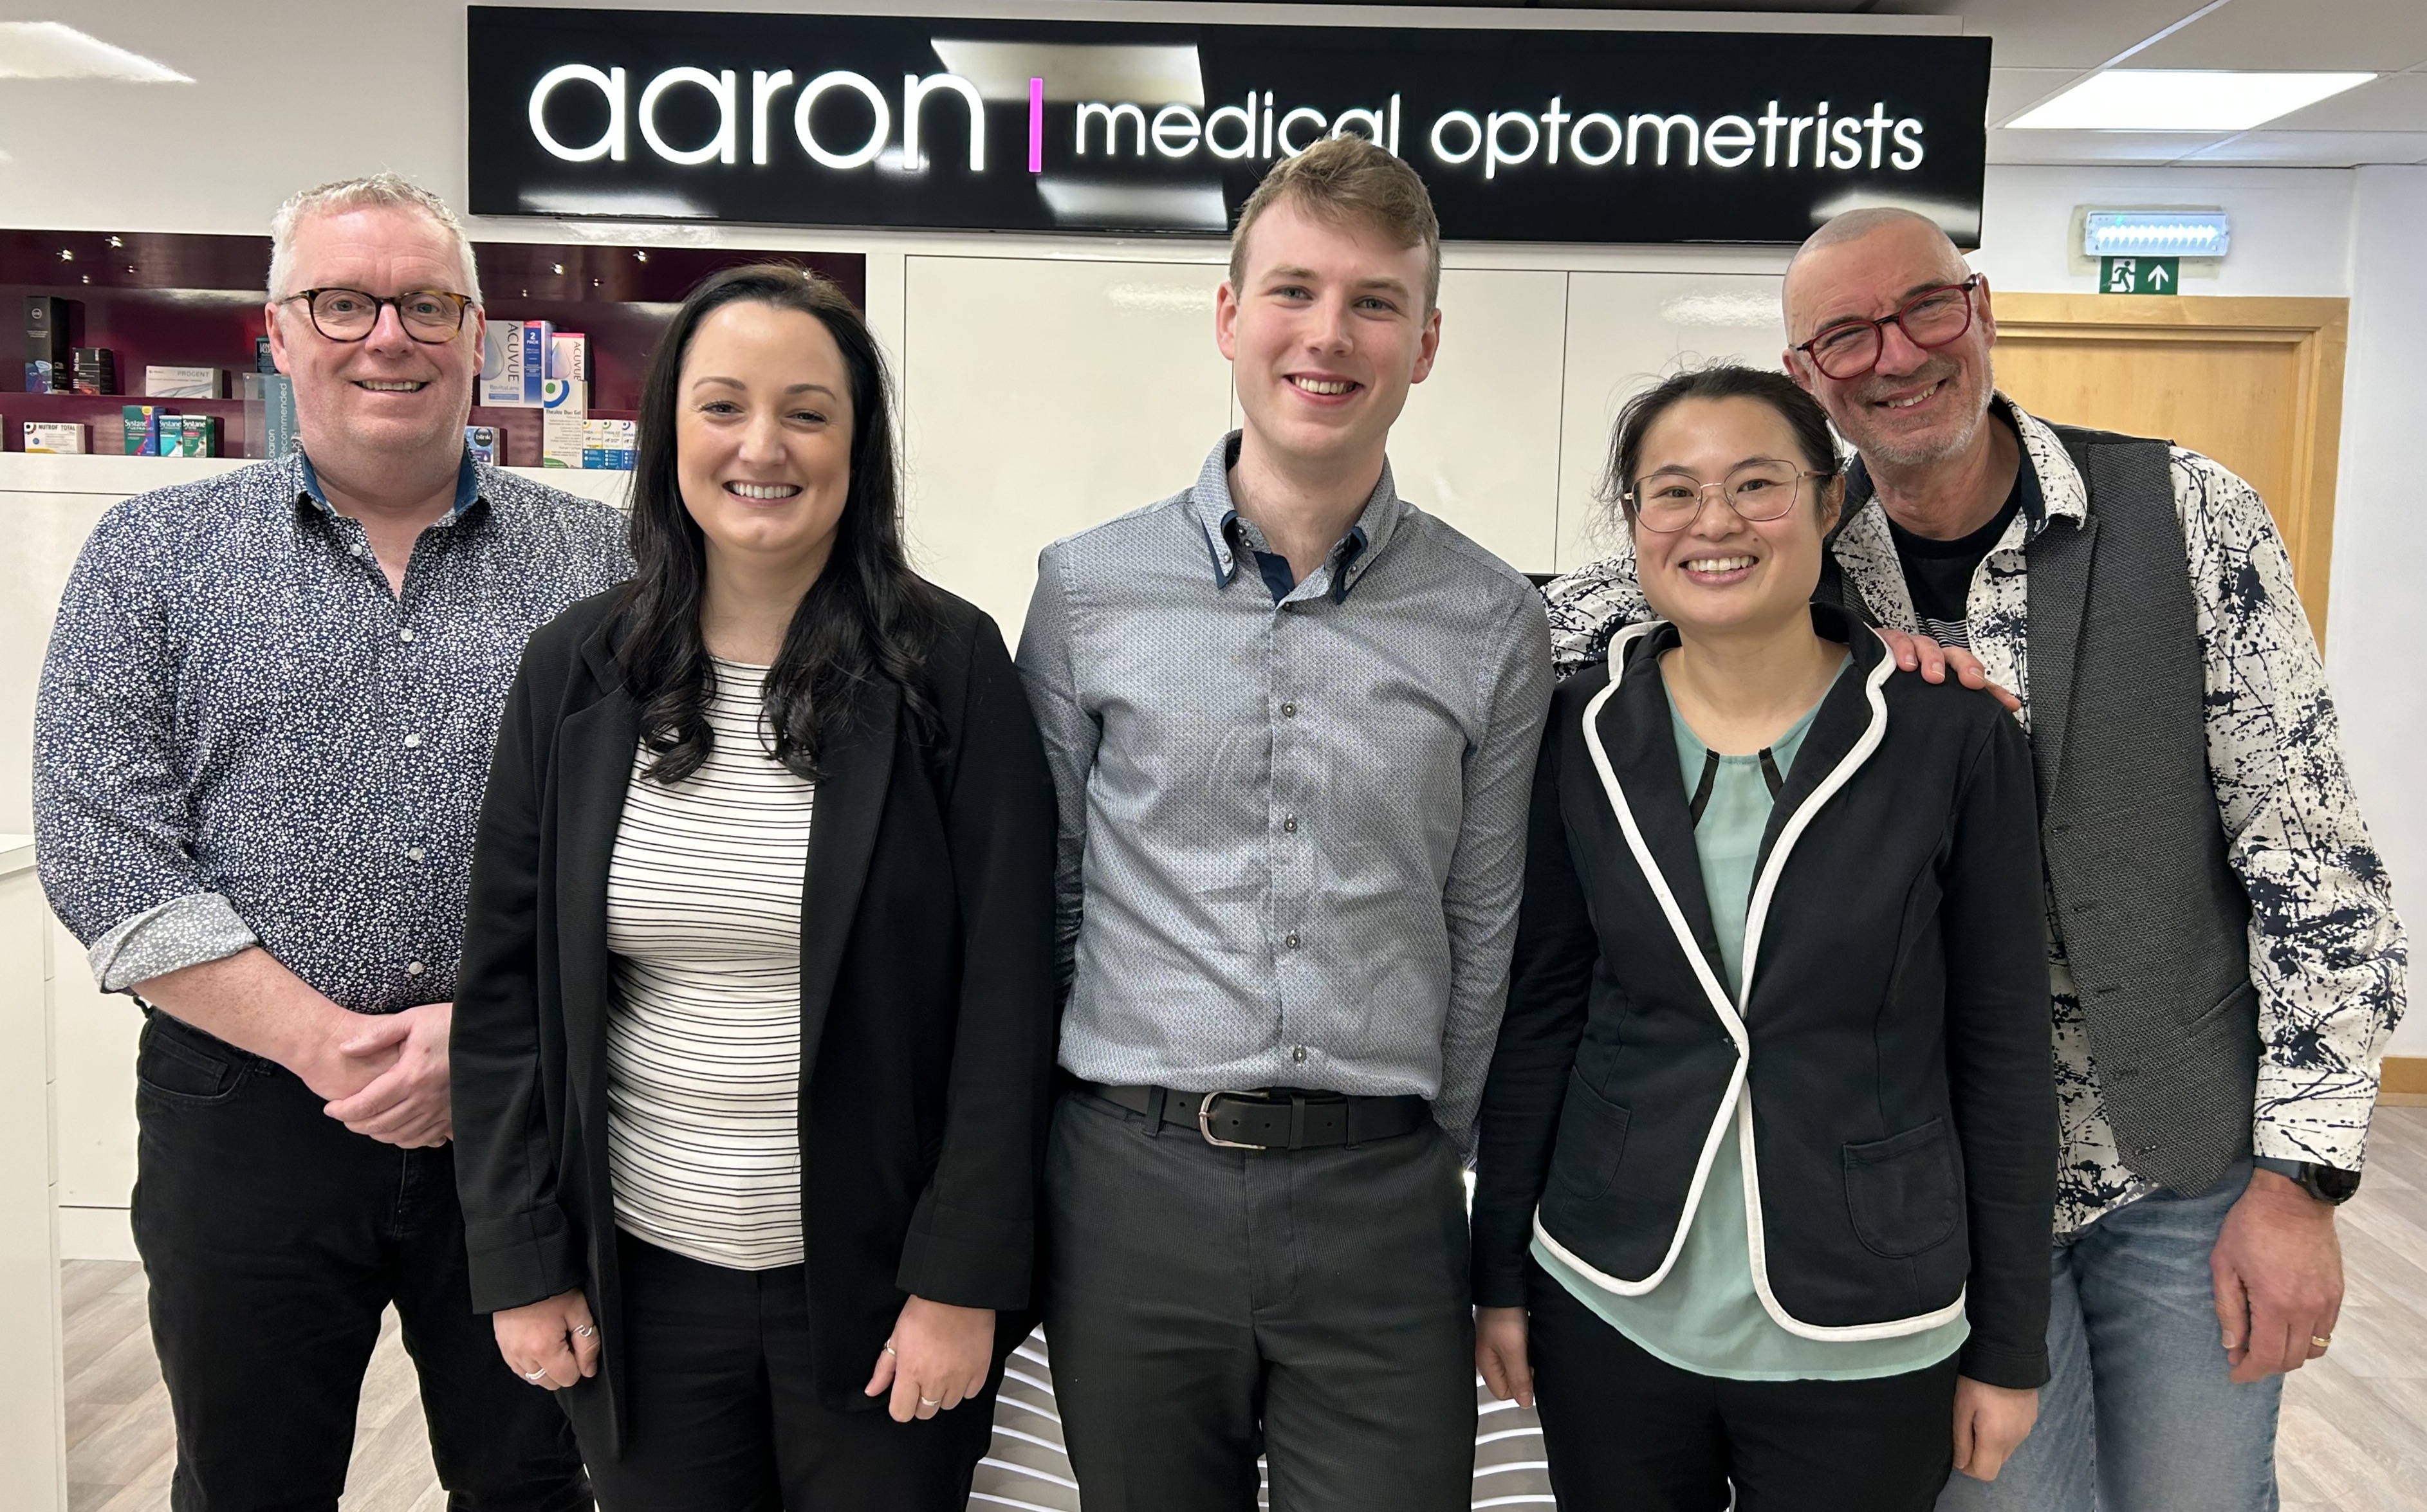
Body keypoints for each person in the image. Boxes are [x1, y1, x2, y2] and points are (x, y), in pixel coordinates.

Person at [1543, 208, 2408, 1511]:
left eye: (1922, 309)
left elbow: (2313, 866)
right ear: (1806, 378)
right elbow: (1569, 610)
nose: (1892, 355)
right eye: (1844, 334)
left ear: (1982, 308)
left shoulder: (2183, 514)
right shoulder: (1796, 544)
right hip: (1926, 1183)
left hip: (2171, 1164)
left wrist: (2302, 1180)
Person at [33, 174, 618, 1511]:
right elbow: (104, 845)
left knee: (536, 1482)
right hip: (244, 1117)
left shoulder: (608, 566)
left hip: (526, 1113)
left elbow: (660, 839)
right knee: (248, 1481)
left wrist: (481, 1038)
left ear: (478, 334)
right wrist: (326, 1040)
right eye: (341, 302)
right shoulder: (153, 555)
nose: (386, 336)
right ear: (276, 333)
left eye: (424, 303)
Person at [450, 263, 1058, 1511]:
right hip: (644, 1285)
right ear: (670, 428)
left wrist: (961, 1278)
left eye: (808, 411)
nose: (762, 445)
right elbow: (506, 991)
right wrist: (522, 1258)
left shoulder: (948, 667)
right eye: (722, 405)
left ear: (858, 443)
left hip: (885, 1283)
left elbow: (1010, 996)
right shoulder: (576, 669)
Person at [1014, 136, 1551, 1511]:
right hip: (1132, 1187)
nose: (1329, 333)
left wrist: (1438, 1147)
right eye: (1295, 290)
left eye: (1374, 301)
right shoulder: (1084, 592)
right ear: (1227, 315)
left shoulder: (1492, 621)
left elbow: (1482, 923)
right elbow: (1049, 899)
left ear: (1424, 343)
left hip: (1383, 1200)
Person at [1473, 364, 2056, 1511]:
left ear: (1832, 501)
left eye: (1757, 484)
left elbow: (2003, 1054)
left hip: (1867, 1309)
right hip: (1611, 1289)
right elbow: (1541, 1011)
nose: (1716, 522)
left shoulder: (1948, 738)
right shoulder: (1576, 732)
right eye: (1673, 492)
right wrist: (1499, 1275)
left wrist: (2008, 1344)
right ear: (1634, 523)